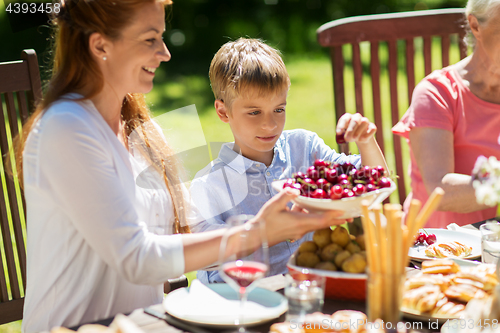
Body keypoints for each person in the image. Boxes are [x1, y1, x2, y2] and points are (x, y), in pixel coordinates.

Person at [16, 2, 348, 332]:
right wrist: (257, 234)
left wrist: (318, 209)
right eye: (150, 39)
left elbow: (185, 231)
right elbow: (137, 258)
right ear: (100, 45)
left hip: (140, 324)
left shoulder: (143, 130)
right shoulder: (66, 128)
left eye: (161, 37)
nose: (165, 52)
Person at [189, 38, 388, 284]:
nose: (270, 124)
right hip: (244, 303)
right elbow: (203, 257)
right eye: (254, 112)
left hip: (310, 292)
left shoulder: (305, 148)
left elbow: (374, 182)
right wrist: (269, 231)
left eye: (279, 109)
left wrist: (366, 140)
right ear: (223, 112)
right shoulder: (209, 185)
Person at [392, 0, 500, 228]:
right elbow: (441, 190)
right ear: (475, 26)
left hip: (491, 242)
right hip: (434, 249)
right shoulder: (436, 93)